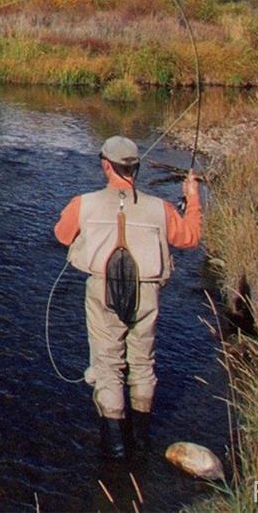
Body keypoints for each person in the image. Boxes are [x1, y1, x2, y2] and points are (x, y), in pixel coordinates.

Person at [53, 135, 202, 457]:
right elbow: (190, 238)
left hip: (101, 290)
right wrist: (192, 199)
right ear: (136, 168)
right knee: (142, 363)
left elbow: (62, 235)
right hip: (147, 293)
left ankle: (115, 447)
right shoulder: (161, 208)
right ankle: (142, 438)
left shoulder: (84, 203)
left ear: (106, 166)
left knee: (107, 366)